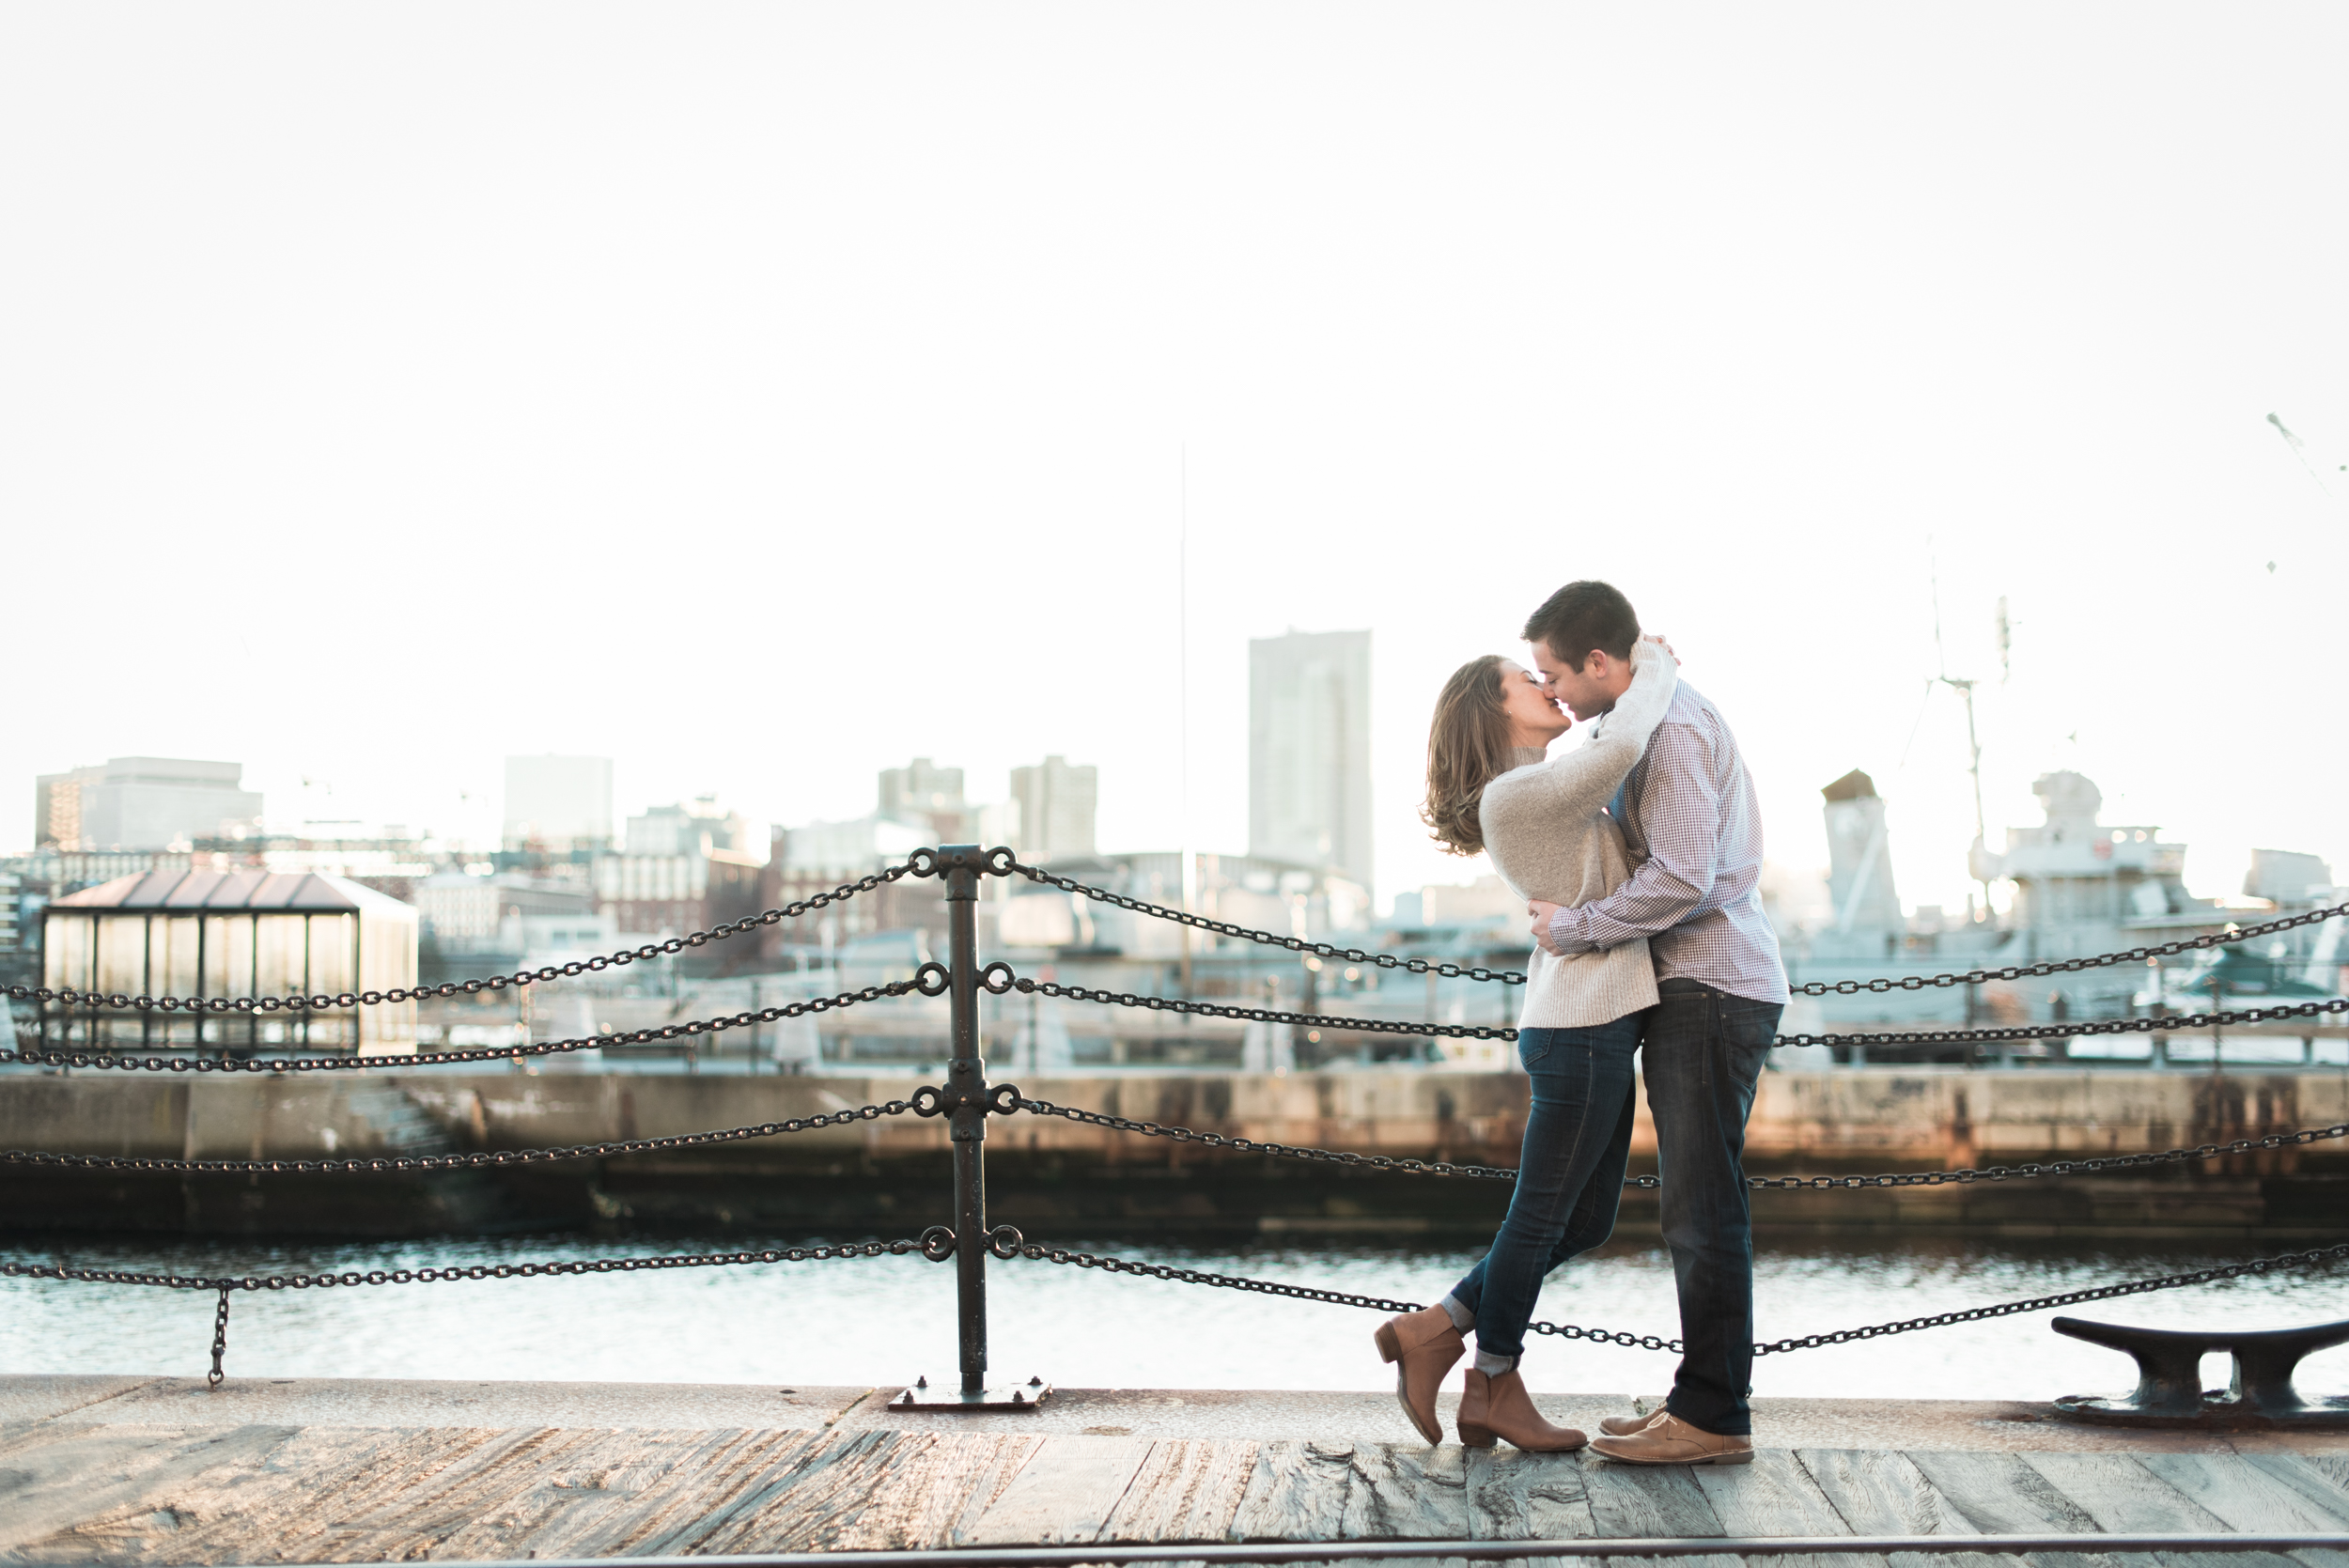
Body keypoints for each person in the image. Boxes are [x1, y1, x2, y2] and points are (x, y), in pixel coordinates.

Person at [1376, 629, 1679, 1452]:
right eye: (1525, 678)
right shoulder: (1515, 795)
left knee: (1581, 1222)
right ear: (1491, 707)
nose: (1546, 684)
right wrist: (1654, 666)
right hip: (1579, 1028)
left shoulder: (1538, 789)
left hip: (1594, 1021)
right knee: (1543, 1216)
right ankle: (1493, 1379)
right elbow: (1621, 741)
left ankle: (1438, 1331)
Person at [1522, 580, 1787, 1467]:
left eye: (1554, 674)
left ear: (1601, 662)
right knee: (1696, 1204)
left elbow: (1680, 877)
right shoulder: (1651, 711)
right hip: (1708, 986)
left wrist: (1574, 928)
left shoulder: (1669, 729)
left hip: (1708, 986)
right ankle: (1699, 1397)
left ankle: (1713, 1416)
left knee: (1702, 1209)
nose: (1551, 690)